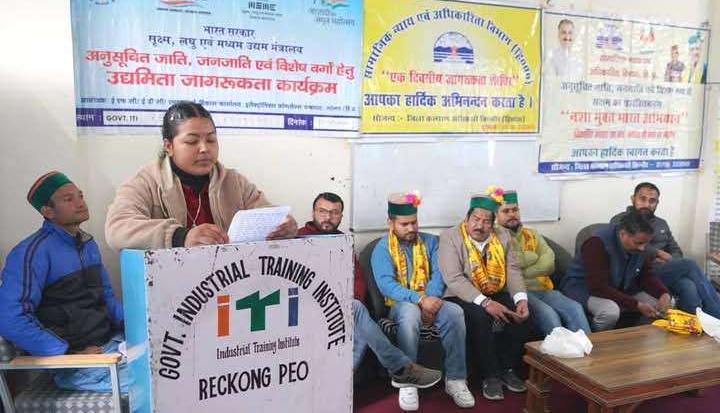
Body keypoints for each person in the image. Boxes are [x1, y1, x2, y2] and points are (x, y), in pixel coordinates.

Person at [297, 192, 442, 392]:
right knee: (357, 312)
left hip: (337, 306)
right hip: (304, 305)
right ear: (313, 213)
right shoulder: (297, 238)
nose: (328, 217)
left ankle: (339, 388)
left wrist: (347, 303)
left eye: (334, 212)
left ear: (341, 216)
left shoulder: (343, 241)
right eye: (322, 211)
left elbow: (357, 277)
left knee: (357, 311)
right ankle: (400, 367)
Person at [105, 101, 297, 250]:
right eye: (192, 141)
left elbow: (268, 212)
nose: (204, 148)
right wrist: (179, 236)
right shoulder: (146, 182)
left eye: (211, 140)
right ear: (169, 146)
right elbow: (117, 229)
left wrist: (285, 225)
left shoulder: (233, 181)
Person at [0, 172, 127, 392]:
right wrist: (67, 354)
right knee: (157, 386)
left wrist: (137, 326)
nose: (80, 203)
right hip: (77, 363)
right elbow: (10, 317)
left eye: (80, 195)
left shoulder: (88, 244)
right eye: (68, 199)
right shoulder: (31, 252)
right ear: (48, 212)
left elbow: (106, 298)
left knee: (177, 364)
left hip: (113, 345)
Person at [371, 192, 474, 411]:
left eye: (414, 222)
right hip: (399, 305)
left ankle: (456, 378)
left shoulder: (431, 241)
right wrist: (420, 300)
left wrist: (430, 300)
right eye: (404, 224)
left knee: (455, 312)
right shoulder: (382, 248)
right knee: (410, 313)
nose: (411, 228)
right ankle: (408, 380)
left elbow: (439, 274)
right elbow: (386, 285)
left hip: (431, 298)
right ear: (390, 223)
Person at [438, 192, 530, 401]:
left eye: (486, 221)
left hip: (494, 290)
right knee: (480, 317)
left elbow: (513, 270)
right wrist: (486, 303)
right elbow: (453, 278)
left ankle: (507, 369)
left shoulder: (503, 236)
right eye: (475, 219)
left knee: (522, 316)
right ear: (467, 218)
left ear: (493, 223)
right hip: (461, 294)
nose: (479, 225)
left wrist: (521, 299)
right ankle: (491, 376)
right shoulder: (450, 237)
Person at [610, 182, 720, 319]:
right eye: (642, 199)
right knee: (690, 264)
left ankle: (690, 326)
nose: (647, 204)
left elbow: (676, 250)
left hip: (665, 269)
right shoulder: (620, 220)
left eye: (652, 201)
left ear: (657, 203)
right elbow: (621, 246)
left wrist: (671, 261)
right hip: (639, 273)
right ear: (633, 199)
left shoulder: (661, 223)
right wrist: (658, 253)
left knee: (688, 286)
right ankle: (717, 316)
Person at [495, 189, 590, 335]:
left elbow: (549, 263)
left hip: (543, 288)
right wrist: (533, 257)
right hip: (517, 293)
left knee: (575, 309)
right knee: (549, 316)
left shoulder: (532, 234)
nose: (512, 214)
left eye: (515, 210)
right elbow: (508, 265)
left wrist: (523, 271)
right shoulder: (494, 238)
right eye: (506, 211)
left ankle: (589, 348)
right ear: (496, 215)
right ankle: (557, 350)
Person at [562, 211, 672, 331]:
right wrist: (636, 304)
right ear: (622, 234)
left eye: (646, 244)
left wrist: (664, 294)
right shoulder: (596, 243)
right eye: (638, 243)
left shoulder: (641, 245)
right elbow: (598, 287)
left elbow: (647, 276)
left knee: (666, 303)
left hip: (620, 288)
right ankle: (594, 338)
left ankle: (637, 336)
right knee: (610, 312)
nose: (642, 248)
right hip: (584, 288)